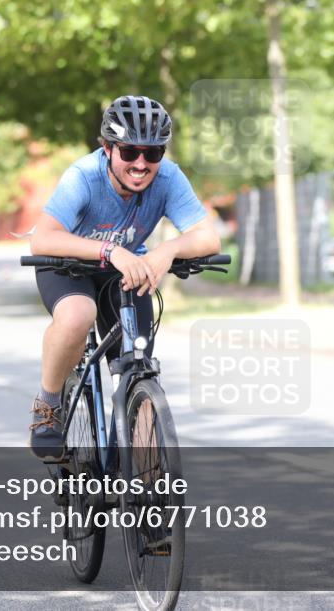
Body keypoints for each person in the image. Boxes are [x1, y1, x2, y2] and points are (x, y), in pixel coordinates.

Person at [28, 95, 221, 459]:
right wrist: (108, 250)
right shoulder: (84, 176)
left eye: (153, 153)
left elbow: (208, 237)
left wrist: (167, 251)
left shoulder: (168, 178)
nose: (141, 164)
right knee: (78, 315)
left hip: (125, 270)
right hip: (68, 263)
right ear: (108, 148)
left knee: (138, 360)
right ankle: (48, 405)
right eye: (130, 152)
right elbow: (43, 238)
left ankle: (134, 467)